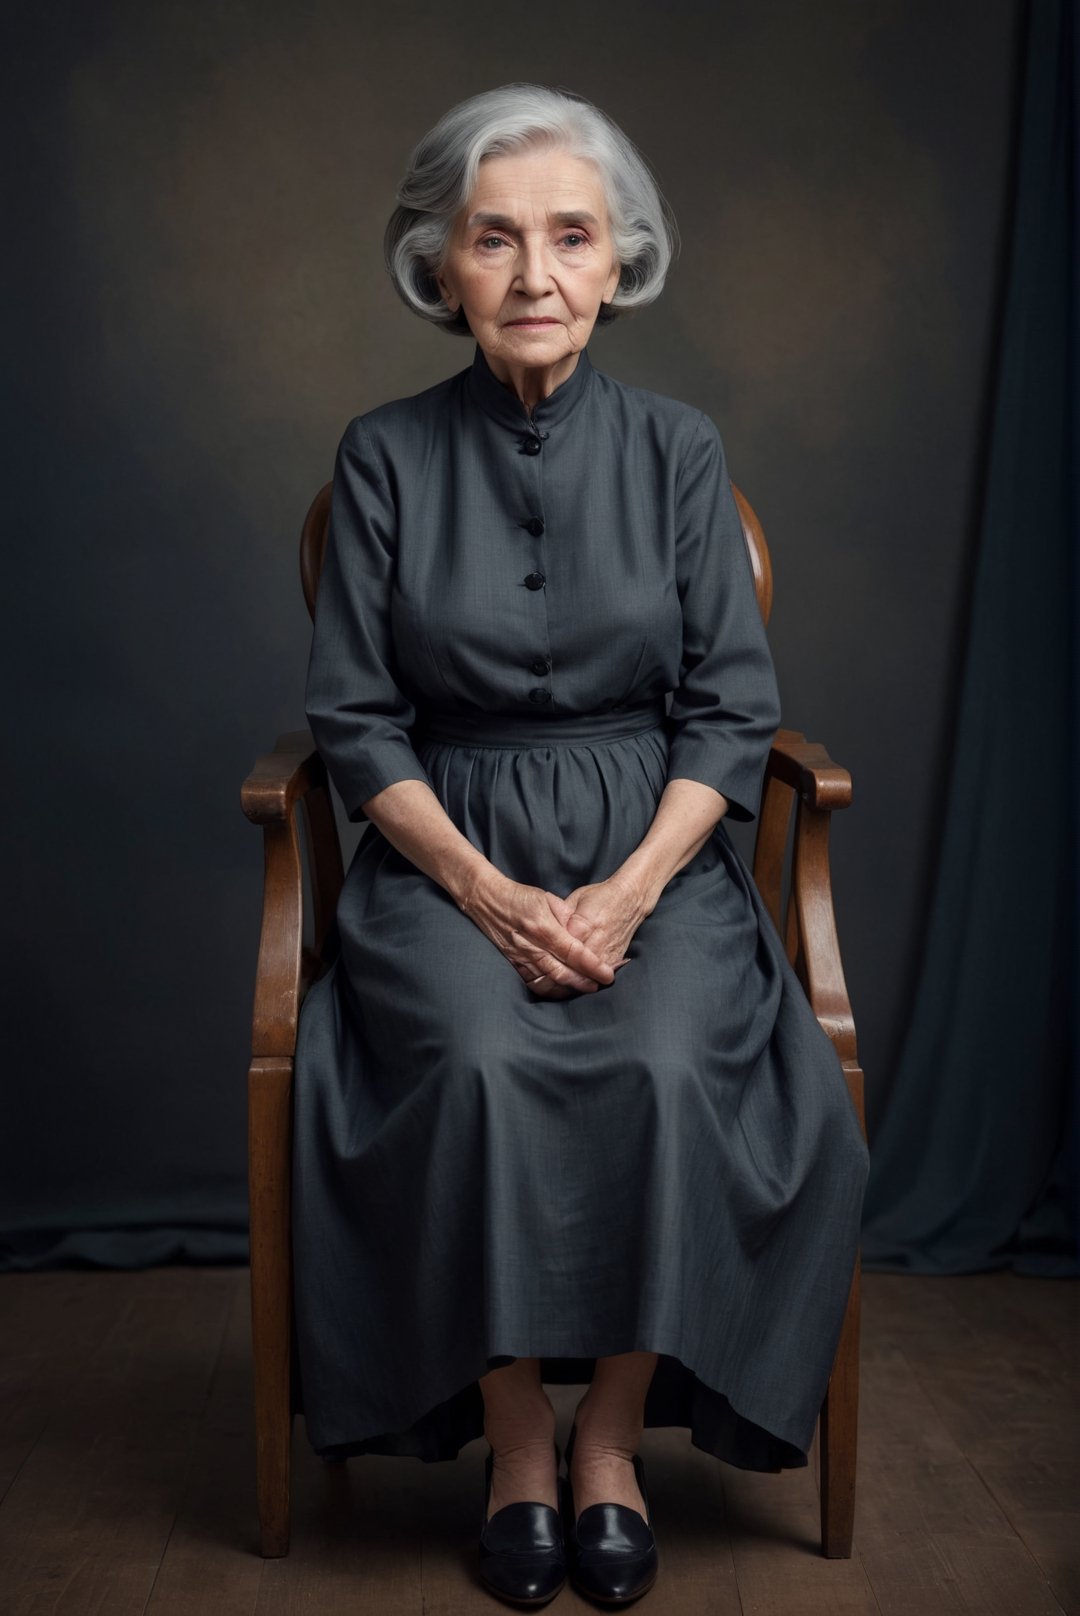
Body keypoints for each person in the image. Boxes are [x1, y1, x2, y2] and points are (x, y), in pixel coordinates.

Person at [292, 83, 870, 1608]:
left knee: (674, 1057)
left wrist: (624, 892)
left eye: (571, 238)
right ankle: (511, 1436)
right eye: (497, 240)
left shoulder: (680, 451)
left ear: (619, 265)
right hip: (444, 850)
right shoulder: (383, 458)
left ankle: (606, 1436)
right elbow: (355, 725)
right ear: (444, 269)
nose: (536, 275)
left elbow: (732, 714)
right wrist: (484, 893)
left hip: (657, 854)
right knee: (473, 1061)